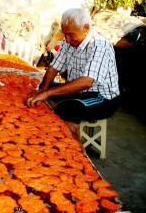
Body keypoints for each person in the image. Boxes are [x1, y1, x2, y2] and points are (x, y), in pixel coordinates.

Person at [27, 8, 120, 142]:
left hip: (102, 97)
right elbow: (54, 68)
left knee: (67, 107)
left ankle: (77, 151)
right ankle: (58, 121)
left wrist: (47, 94)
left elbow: (87, 82)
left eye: (71, 35)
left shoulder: (100, 46)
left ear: (86, 28)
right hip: (79, 91)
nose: (67, 39)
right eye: (65, 34)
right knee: (43, 85)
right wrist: (42, 90)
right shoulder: (68, 41)